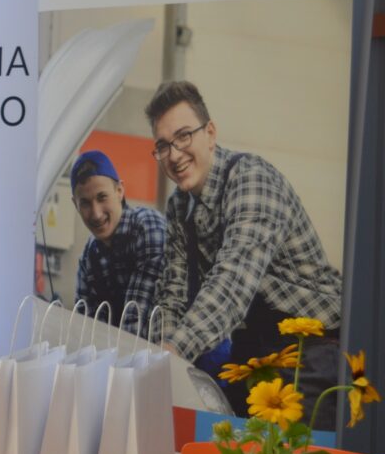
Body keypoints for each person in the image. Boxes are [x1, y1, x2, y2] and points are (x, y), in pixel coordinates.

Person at [146, 80, 342, 426]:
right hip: (255, 349)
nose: (174, 155)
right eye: (163, 145)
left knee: (283, 451)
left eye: (183, 136)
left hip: (312, 346)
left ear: (210, 133)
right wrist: (155, 356)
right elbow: (173, 296)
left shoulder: (252, 179)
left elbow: (232, 283)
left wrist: (172, 352)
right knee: (220, 431)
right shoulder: (179, 206)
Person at [70, 149, 165, 333]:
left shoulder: (148, 228)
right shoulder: (89, 257)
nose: (96, 214)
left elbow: (135, 322)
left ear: (120, 191)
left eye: (102, 197)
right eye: (85, 203)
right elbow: (83, 329)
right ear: (75, 204)